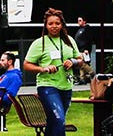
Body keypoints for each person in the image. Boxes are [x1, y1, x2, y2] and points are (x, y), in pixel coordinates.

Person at [24, 8, 85, 136]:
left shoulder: (69, 40)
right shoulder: (39, 43)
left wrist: (73, 62)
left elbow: (80, 59)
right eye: (50, 23)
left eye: (57, 23)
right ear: (45, 26)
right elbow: (27, 65)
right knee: (59, 120)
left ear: (62, 24)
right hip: (47, 85)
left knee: (53, 122)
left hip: (66, 85)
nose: (54, 26)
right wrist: (43, 68)